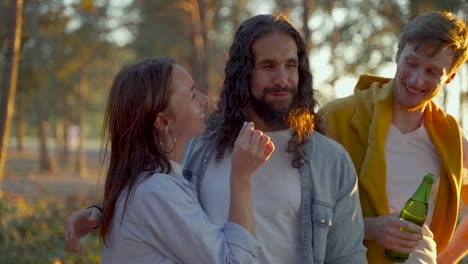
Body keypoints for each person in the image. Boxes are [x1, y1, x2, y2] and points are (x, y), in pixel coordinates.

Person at [65, 14, 368, 264]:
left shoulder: (330, 160)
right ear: (243, 74)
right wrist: (102, 212)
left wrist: (100, 214)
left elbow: (347, 256)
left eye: (291, 66)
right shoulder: (198, 147)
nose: (282, 79)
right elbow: (162, 207)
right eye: (268, 66)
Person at [92, 57, 276, 263]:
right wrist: (242, 177)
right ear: (162, 121)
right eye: (192, 95)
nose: (205, 99)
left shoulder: (153, 185)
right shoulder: (156, 191)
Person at [321, 11, 468, 264]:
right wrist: (368, 228)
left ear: (450, 77)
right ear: (398, 53)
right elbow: (296, 208)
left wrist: (442, 259)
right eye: (411, 62)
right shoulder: (337, 117)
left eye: (433, 71)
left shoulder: (454, 140)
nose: (416, 79)